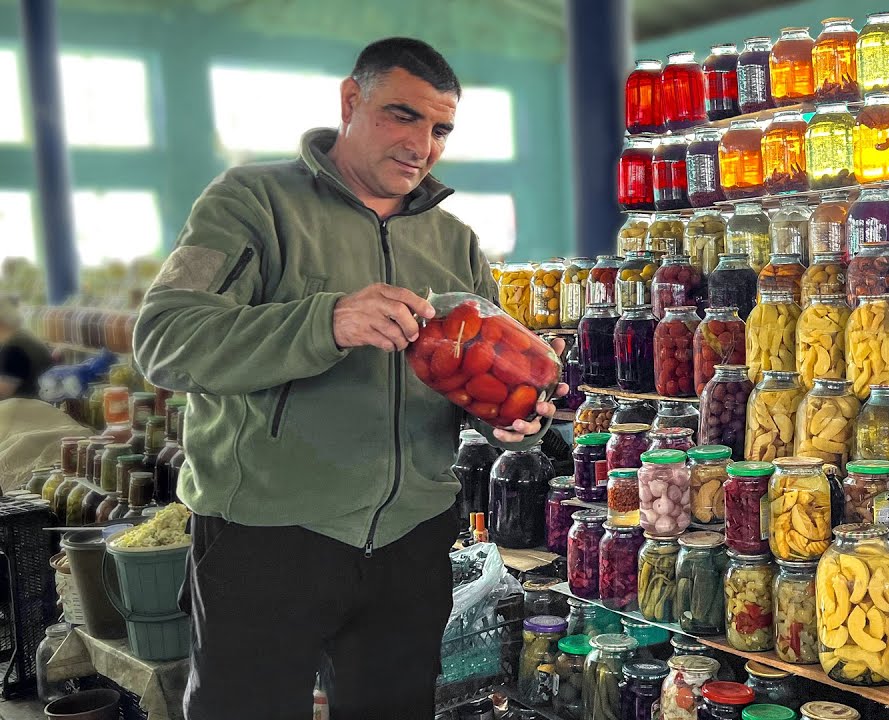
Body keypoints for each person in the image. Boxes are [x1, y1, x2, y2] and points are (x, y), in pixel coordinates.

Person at [132, 38, 562, 720]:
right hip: (266, 537)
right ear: (349, 101)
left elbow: (478, 384)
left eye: (440, 128)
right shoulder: (252, 202)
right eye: (402, 115)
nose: (422, 144)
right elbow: (165, 340)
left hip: (410, 544)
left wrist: (509, 419)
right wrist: (326, 322)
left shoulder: (456, 242)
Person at [0, 298, 53, 400]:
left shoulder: (15, 348)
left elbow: (3, 391)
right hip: (40, 406)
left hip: (25, 411)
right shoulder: (25, 336)